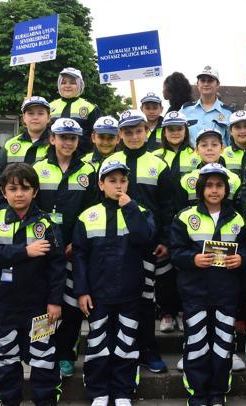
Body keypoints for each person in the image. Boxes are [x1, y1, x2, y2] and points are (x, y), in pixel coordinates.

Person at [0, 162, 65, 406]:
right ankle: (8, 399)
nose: (19, 194)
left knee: (43, 354)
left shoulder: (47, 224)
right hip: (6, 304)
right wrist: (25, 251)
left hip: (40, 306)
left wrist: (54, 301)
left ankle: (45, 399)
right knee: (7, 353)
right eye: (13, 188)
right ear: (3, 192)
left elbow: (57, 267)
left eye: (25, 188)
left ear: (35, 192)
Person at [73, 161, 155, 406]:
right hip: (98, 293)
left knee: (126, 343)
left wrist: (129, 208)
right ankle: (99, 392)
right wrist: (82, 291)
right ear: (101, 184)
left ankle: (122, 392)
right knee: (98, 343)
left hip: (129, 291)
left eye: (122, 180)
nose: (118, 185)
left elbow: (145, 239)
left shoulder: (139, 210)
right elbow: (79, 256)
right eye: (112, 181)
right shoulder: (88, 216)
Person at [170, 163, 246, 406]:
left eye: (219, 185)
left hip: (226, 294)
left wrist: (242, 258)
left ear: (227, 189)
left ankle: (217, 394)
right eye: (210, 185)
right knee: (196, 344)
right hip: (195, 293)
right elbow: (175, 252)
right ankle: (197, 395)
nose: (214, 190)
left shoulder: (239, 218)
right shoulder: (185, 216)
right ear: (201, 188)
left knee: (222, 344)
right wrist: (192, 259)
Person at [101, 110, 174, 374]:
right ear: (120, 134)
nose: (133, 136)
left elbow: (168, 206)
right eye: (128, 132)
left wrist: (165, 238)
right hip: (113, 244)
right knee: (114, 298)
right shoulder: (111, 161)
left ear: (146, 131)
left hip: (147, 245)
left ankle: (147, 349)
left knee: (145, 300)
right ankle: (118, 350)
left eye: (138, 130)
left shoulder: (158, 164)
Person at [33, 118, 99, 379]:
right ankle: (43, 348)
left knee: (71, 305)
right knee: (46, 301)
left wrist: (76, 243)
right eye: (62, 137)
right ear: (52, 139)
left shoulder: (89, 171)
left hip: (73, 249)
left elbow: (91, 211)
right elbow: (31, 207)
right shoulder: (37, 169)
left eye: (72, 138)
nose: (68, 142)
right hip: (43, 248)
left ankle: (65, 354)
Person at [151, 110, 199, 334]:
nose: (175, 132)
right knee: (164, 271)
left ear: (185, 130)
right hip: (163, 219)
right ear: (164, 132)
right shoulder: (156, 157)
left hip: (190, 221)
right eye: (171, 129)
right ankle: (166, 312)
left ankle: (183, 311)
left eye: (179, 128)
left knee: (185, 269)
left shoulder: (196, 156)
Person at [0, 96, 51, 210]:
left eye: (40, 113)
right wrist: (6, 211)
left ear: (48, 118)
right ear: (24, 118)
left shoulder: (55, 145)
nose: (35, 117)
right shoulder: (10, 145)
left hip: (44, 216)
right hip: (14, 214)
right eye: (30, 113)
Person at [177, 129, 246, 213]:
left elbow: (238, 210)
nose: (209, 148)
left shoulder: (234, 179)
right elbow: (180, 211)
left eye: (214, 144)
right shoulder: (186, 180)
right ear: (196, 150)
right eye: (204, 145)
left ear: (222, 148)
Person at [49, 67, 104, 155]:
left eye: (72, 83)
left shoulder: (90, 107)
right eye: (63, 82)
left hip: (82, 159)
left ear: (79, 85)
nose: (67, 86)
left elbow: (98, 135)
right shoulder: (49, 107)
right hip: (52, 159)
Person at [179, 66, 233, 146]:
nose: (206, 84)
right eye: (202, 80)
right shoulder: (185, 110)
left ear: (218, 84)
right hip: (191, 157)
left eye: (210, 81)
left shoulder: (228, 112)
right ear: (198, 84)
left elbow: (232, 142)